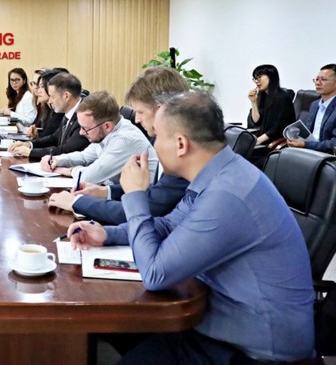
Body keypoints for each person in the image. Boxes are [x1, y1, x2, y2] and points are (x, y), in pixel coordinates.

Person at [69, 92, 314, 363]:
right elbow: (168, 224)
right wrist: (106, 234)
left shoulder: (228, 194)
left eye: (158, 137)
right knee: (111, 328)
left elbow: (155, 273)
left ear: (181, 144)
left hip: (251, 352)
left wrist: (135, 195)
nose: (153, 144)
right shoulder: (219, 173)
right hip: (214, 318)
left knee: (117, 331)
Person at [49, 67, 189, 224]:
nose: (137, 120)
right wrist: (105, 192)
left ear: (161, 111)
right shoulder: (163, 142)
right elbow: (153, 193)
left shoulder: (180, 153)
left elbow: (149, 208)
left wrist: (76, 203)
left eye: (141, 112)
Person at [42, 90, 157, 186]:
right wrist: (57, 160)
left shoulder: (124, 140)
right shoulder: (108, 132)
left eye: (85, 128)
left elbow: (87, 177)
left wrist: (71, 170)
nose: (81, 133)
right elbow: (84, 156)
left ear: (107, 126)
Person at [9, 72, 90, 160]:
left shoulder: (84, 116)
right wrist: (29, 144)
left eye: (52, 96)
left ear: (66, 96)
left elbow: (67, 150)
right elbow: (54, 138)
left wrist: (31, 152)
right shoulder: (69, 111)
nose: (50, 101)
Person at [288, 63, 336, 152]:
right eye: (316, 79)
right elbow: (308, 132)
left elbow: (333, 144)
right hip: (308, 150)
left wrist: (305, 145)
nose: (318, 83)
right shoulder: (314, 104)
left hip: (327, 156)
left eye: (323, 79)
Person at [246, 64, 295, 145]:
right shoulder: (263, 97)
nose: (257, 81)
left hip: (275, 142)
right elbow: (256, 121)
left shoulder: (283, 98)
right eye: (255, 78)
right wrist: (253, 102)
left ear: (271, 77)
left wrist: (256, 142)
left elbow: (277, 129)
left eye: (259, 77)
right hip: (263, 139)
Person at [24, 68, 66, 139]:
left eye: (41, 86)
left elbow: (52, 138)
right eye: (34, 84)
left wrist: (35, 138)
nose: (37, 89)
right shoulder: (43, 106)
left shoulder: (59, 110)